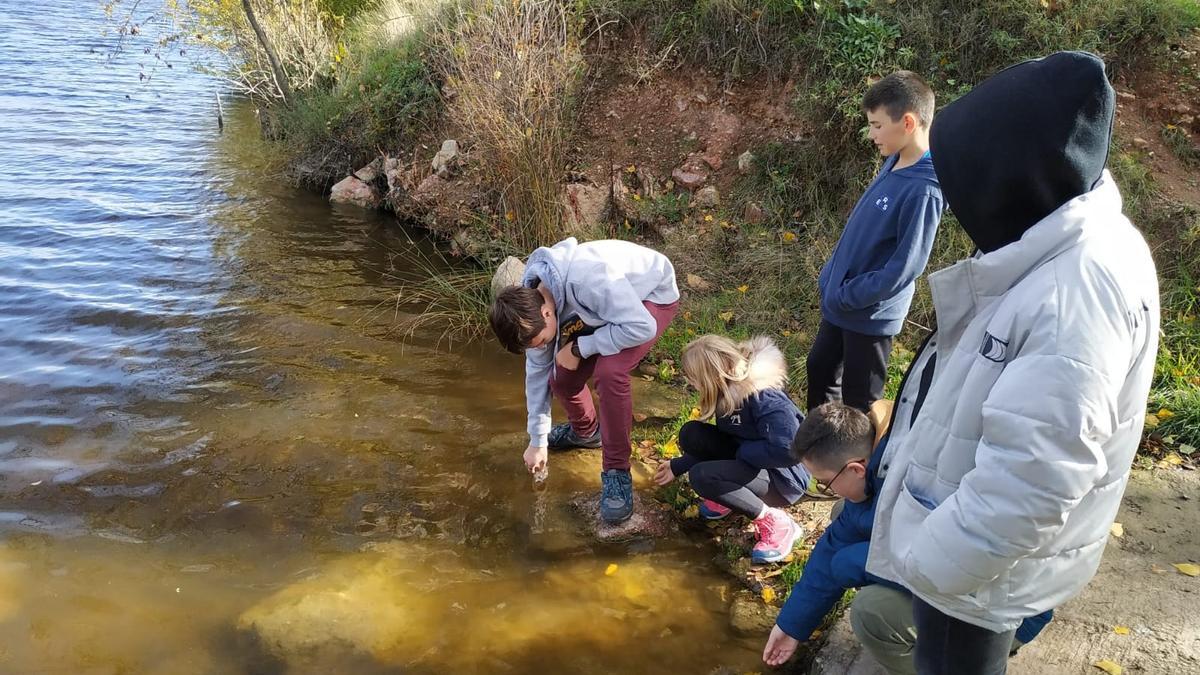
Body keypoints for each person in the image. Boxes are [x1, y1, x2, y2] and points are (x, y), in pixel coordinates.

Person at [865, 51, 1160, 675]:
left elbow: (1036, 478)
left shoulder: (1071, 296)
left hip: (974, 578)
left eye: (967, 178)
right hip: (977, 557)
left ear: (1010, 179)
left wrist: (931, 563)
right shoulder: (1068, 241)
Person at [760, 402, 1052, 671]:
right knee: (842, 517)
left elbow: (950, 566)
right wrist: (790, 627)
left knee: (870, 612)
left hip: (1001, 613)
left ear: (856, 468)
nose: (827, 490)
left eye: (825, 483)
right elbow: (833, 545)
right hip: (958, 583)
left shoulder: (913, 485)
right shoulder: (880, 473)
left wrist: (852, 564)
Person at [489, 237, 679, 524]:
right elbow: (538, 375)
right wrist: (537, 441)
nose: (540, 349)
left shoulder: (590, 281)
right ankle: (586, 432)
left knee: (610, 372)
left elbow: (641, 327)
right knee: (560, 374)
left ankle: (617, 472)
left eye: (540, 342)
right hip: (602, 313)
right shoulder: (530, 312)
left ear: (547, 313)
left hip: (649, 298)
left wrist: (580, 347)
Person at [808, 71, 944, 413]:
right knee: (820, 369)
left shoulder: (925, 188)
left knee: (859, 401)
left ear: (909, 122)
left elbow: (905, 267)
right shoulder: (895, 160)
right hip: (841, 300)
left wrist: (850, 294)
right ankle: (819, 456)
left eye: (877, 125)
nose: (871, 135)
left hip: (868, 314)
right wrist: (832, 280)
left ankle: (858, 465)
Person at [652, 335, 811, 564]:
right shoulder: (727, 390)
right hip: (754, 459)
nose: (691, 384)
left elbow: (789, 449)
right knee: (691, 433)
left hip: (784, 479)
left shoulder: (764, 397)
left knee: (702, 477)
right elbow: (729, 437)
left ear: (711, 376)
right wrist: (678, 466)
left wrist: (744, 454)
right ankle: (731, 496)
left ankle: (776, 522)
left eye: (693, 379)